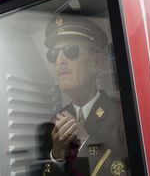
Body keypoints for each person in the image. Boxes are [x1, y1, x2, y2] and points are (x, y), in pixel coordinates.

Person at [42, 14, 129, 176]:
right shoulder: (56, 121)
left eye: (71, 50)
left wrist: (84, 140)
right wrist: (57, 155)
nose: (59, 60)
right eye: (53, 54)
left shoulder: (122, 115)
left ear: (97, 63)